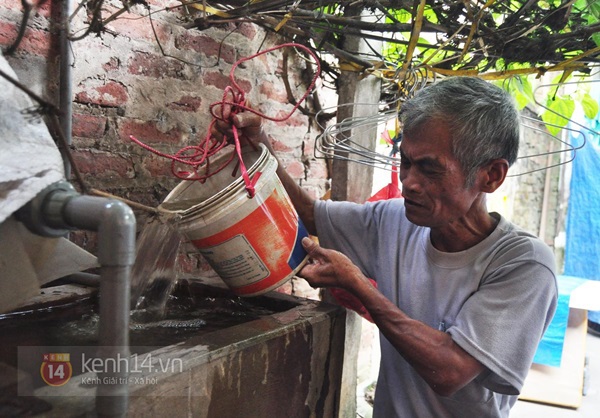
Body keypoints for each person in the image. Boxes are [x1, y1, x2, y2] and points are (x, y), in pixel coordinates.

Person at [214, 76, 558, 417]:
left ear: (491, 176)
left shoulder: (524, 266)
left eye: (429, 169)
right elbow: (308, 214)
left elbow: (450, 371)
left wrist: (357, 285)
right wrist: (258, 147)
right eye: (406, 162)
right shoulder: (397, 220)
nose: (408, 182)